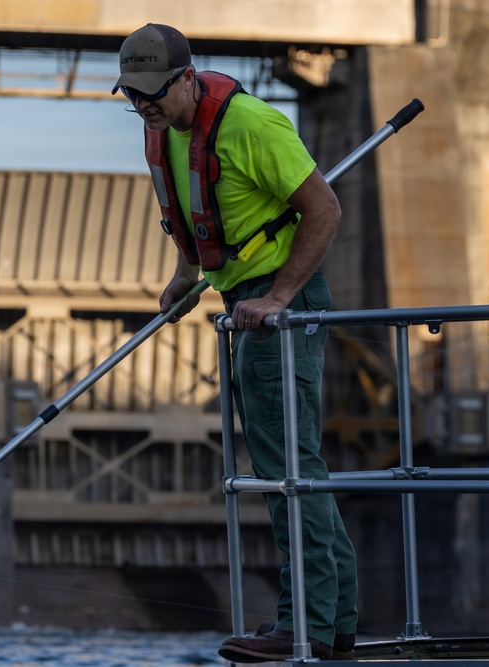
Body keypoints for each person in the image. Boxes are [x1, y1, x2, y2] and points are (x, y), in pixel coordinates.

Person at [111, 23, 359, 662]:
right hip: (237, 298)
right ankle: (335, 625)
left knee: (286, 472)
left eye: (154, 95)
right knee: (295, 464)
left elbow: (324, 210)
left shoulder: (252, 125)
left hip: (282, 304)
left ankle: (302, 626)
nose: (145, 108)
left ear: (189, 77)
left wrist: (277, 298)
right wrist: (186, 276)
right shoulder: (162, 134)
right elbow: (192, 213)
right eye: (133, 97)